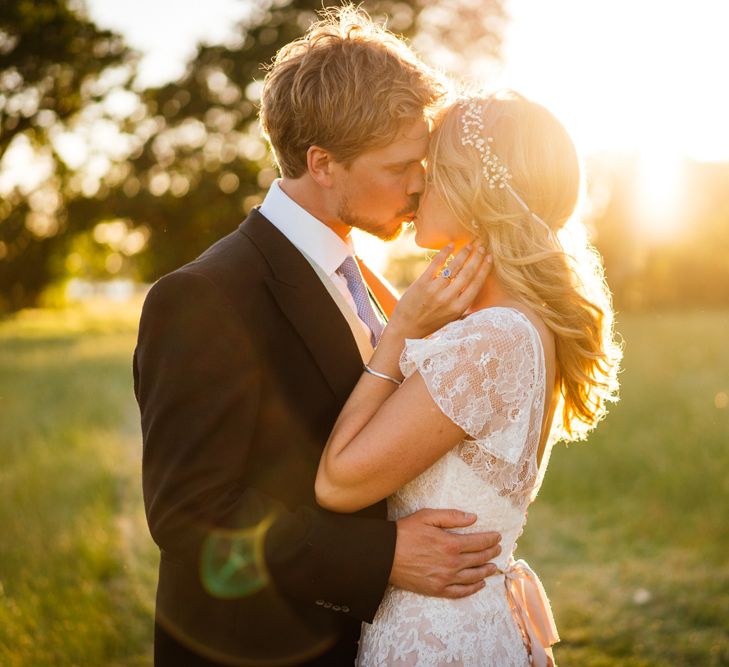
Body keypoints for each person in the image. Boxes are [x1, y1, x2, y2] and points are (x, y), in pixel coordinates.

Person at [133, 8, 501, 666]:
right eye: (398, 167)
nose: (418, 183)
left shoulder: (363, 272)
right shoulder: (205, 295)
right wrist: (382, 556)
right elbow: (190, 510)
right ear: (322, 163)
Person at [315, 90, 623, 666]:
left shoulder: (491, 340)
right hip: (470, 622)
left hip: (437, 639)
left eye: (430, 173)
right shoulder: (515, 324)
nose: (415, 189)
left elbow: (338, 481)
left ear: (474, 188)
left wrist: (401, 331)